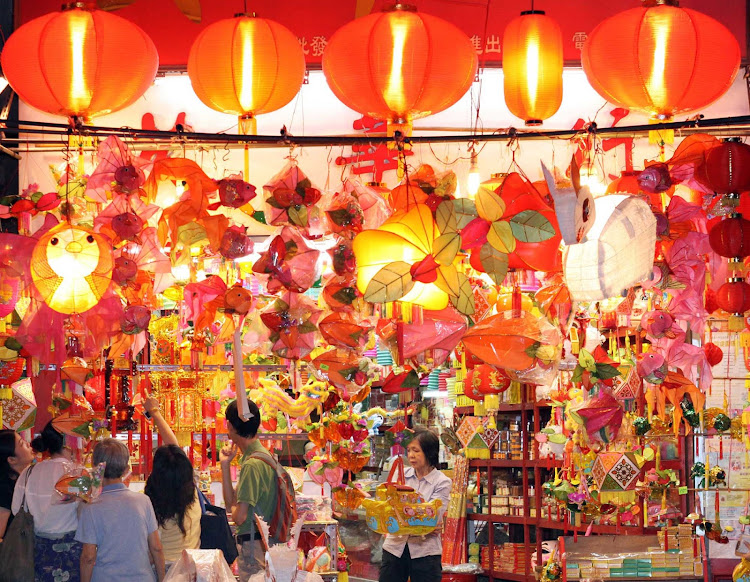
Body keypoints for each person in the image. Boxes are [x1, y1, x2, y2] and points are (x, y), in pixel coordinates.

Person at [76, 438, 166, 582]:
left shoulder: (91, 509)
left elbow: (88, 557)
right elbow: (156, 548)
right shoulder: (143, 501)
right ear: (126, 469)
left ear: (95, 467)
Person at [12, 421, 81, 581]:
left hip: (35, 550)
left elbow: (17, 510)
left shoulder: (28, 472)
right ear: (70, 442)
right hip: (72, 552)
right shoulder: (77, 473)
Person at [379, 429, 451, 582]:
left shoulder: (442, 482)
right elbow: (389, 509)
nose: (410, 455)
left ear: (429, 453)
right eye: (409, 450)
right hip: (394, 547)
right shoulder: (401, 475)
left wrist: (405, 518)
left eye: (416, 451)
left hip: (425, 552)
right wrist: (420, 523)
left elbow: (432, 516)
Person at [220, 398, 278, 581]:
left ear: (229, 425)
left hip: (254, 548)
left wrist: (236, 510)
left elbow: (238, 516)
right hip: (261, 544)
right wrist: (225, 466)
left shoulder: (252, 465)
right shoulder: (261, 457)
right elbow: (231, 505)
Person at [143, 395, 201, 566]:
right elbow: (175, 449)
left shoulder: (148, 503)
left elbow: (153, 549)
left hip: (163, 569)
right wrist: (155, 412)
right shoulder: (192, 494)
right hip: (192, 568)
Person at [0, 429, 34, 541]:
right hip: (16, 551)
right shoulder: (5, 487)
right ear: (11, 459)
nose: (28, 444)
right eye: (22, 444)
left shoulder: (28, 476)